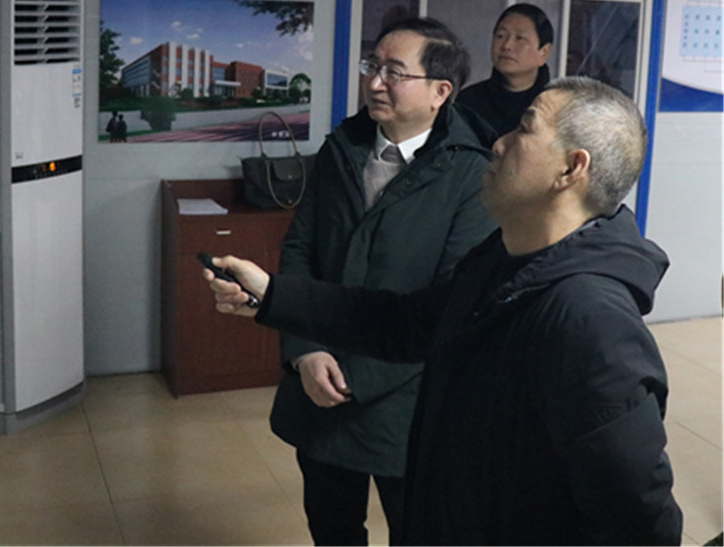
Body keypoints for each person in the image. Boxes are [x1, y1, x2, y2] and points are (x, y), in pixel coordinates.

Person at [204, 76, 683, 546]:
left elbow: (639, 521)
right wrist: (272, 295)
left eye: (524, 129)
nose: (499, 143)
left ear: (571, 169)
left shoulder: (590, 319)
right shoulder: (501, 261)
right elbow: (404, 323)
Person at [271, 17, 496, 546]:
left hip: (408, 399)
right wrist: (306, 351)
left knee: (417, 531)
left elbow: (453, 300)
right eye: (372, 66)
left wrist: (355, 378)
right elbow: (300, 251)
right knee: (332, 528)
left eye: (395, 72)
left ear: (440, 92)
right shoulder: (342, 149)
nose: (375, 82)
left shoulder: (471, 174)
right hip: (319, 382)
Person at [456, 3, 554, 144]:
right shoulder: (467, 102)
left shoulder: (555, 106)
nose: (506, 45)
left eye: (519, 38)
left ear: (544, 52)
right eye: (500, 36)